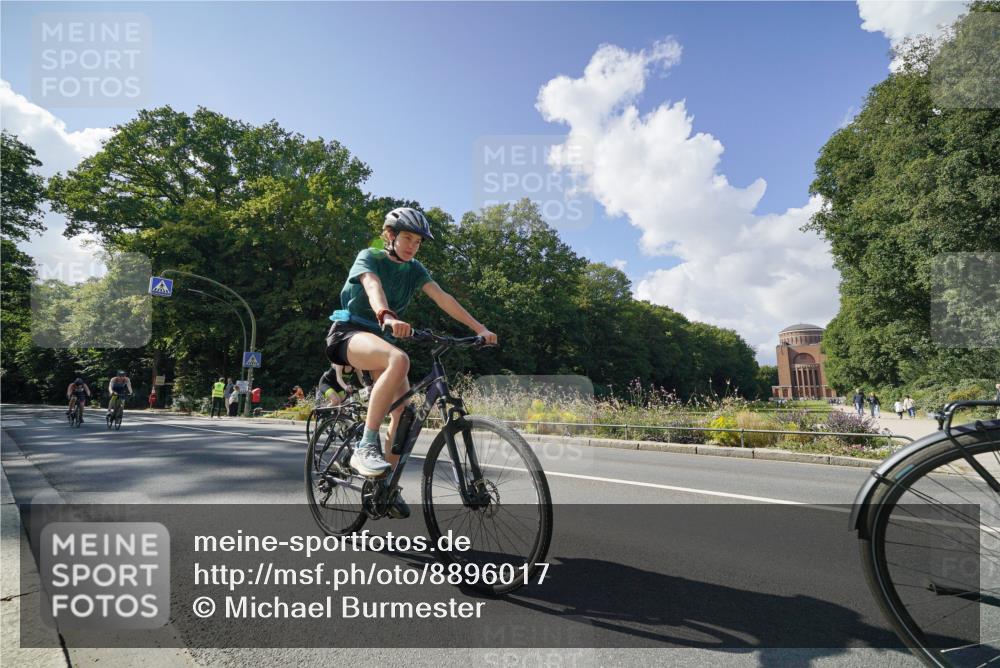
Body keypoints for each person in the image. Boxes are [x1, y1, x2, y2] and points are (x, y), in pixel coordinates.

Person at [323, 207, 497, 518]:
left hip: (382, 340)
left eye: (417, 241)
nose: (412, 246)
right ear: (389, 236)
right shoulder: (370, 256)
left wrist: (479, 329)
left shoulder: (415, 270)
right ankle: (366, 445)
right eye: (407, 238)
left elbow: (443, 298)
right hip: (350, 333)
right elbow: (372, 285)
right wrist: (386, 315)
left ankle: (382, 486)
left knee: (404, 412)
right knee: (398, 358)